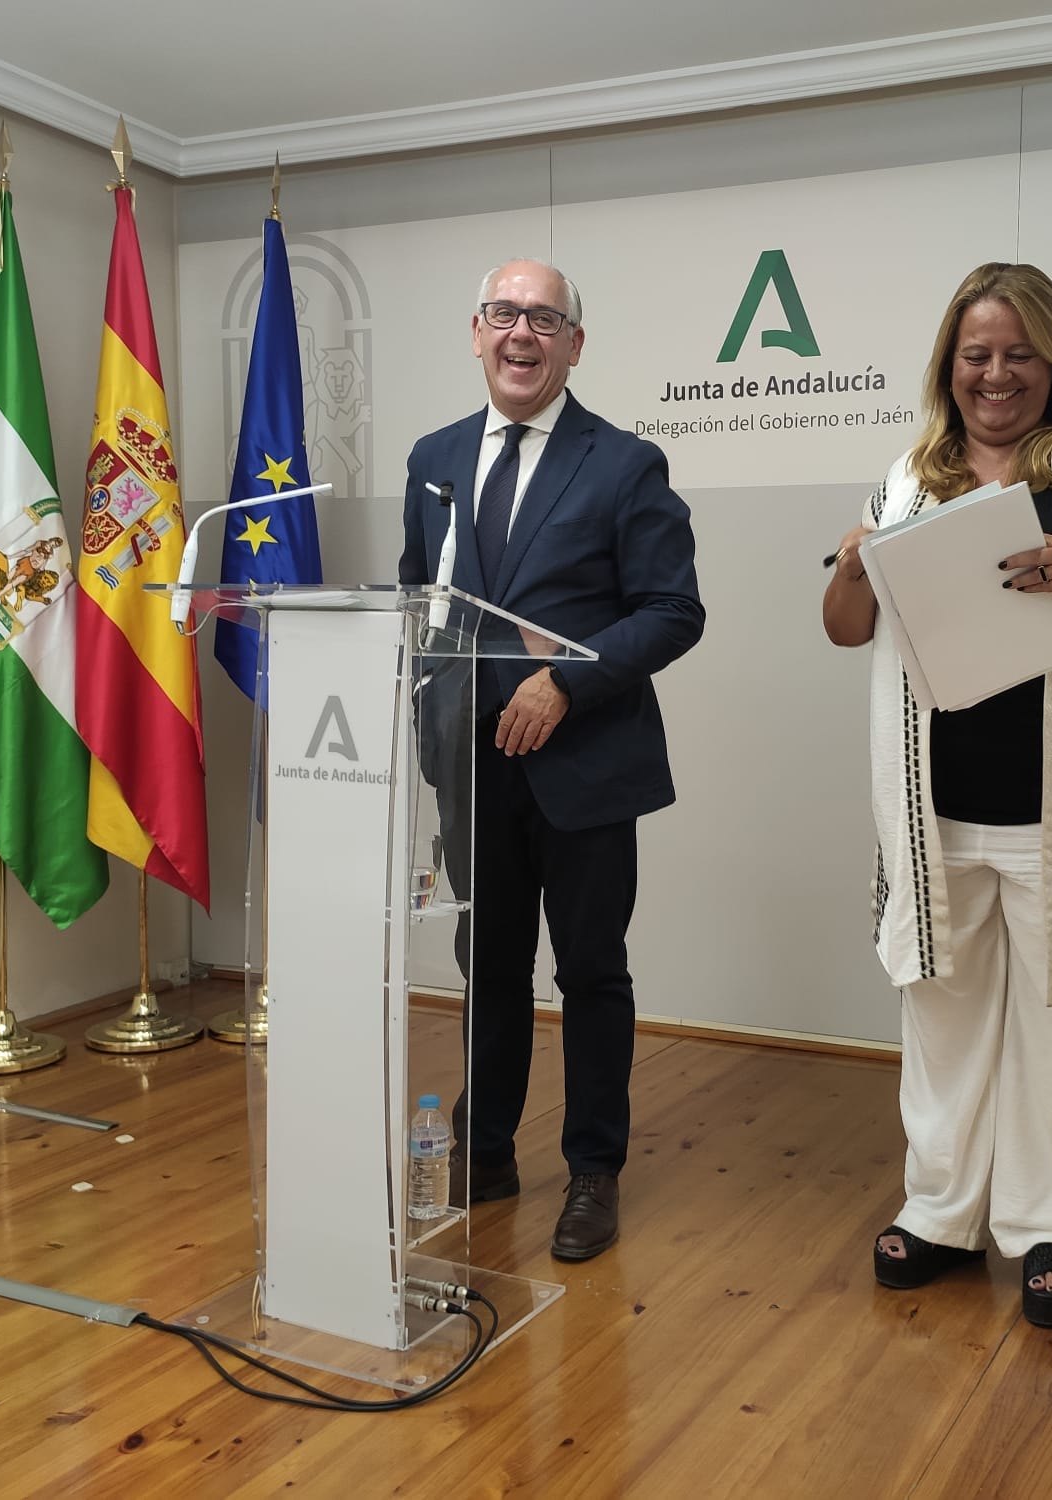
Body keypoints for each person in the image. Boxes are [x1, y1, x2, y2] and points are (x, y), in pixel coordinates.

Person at [821, 262, 1052, 1327]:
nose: (995, 374)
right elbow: (847, 629)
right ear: (949, 365)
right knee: (942, 1019)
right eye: (975, 354)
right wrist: (848, 565)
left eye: (1018, 352)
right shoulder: (906, 477)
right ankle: (939, 1213)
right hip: (939, 806)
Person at [399, 259, 704, 1261]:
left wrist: (566, 681)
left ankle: (592, 1174)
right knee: (484, 969)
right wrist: (423, 717)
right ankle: (487, 1156)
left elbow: (671, 613)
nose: (519, 334)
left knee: (588, 975)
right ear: (474, 329)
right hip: (470, 769)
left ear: (574, 343)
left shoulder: (623, 465)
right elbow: (423, 603)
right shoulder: (433, 460)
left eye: (543, 318)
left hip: (583, 769)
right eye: (503, 314)